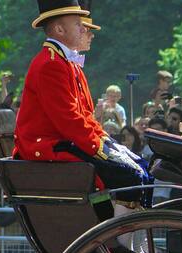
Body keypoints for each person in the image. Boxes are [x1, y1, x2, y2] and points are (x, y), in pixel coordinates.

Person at [14, 0, 147, 208]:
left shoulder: (65, 63)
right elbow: (69, 121)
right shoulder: (50, 64)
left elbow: (84, 116)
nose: (85, 29)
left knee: (138, 167)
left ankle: (127, 233)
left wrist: (108, 142)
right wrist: (102, 149)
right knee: (128, 176)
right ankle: (120, 235)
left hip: (65, 141)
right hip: (49, 145)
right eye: (78, 24)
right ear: (59, 29)